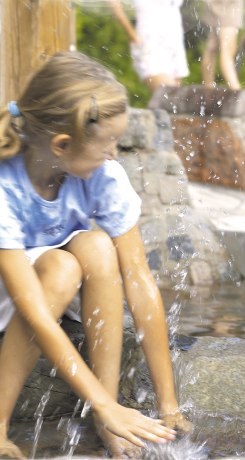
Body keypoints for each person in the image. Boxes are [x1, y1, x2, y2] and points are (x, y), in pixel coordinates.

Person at [0, 51, 192, 459]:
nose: (115, 153)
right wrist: (104, 403)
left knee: (98, 245)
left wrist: (168, 405)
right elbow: (32, 309)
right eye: (108, 143)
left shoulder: (102, 175)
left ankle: (107, 418)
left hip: (49, 287)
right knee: (62, 266)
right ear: (62, 144)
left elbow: (139, 281)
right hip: (13, 294)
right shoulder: (4, 184)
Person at [109, 0, 189, 93]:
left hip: (175, 43)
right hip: (151, 44)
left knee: (175, 101)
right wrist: (133, 36)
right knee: (169, 98)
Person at [201, 0, 244, 90]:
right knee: (227, 50)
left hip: (216, 4)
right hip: (228, 5)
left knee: (212, 47)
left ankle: (208, 91)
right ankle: (237, 93)